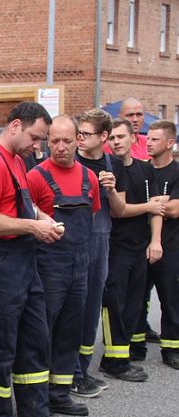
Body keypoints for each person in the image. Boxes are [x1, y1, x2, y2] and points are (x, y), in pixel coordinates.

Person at [0, 101, 69, 417]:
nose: (38, 146)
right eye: (35, 138)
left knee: (33, 339)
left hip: (22, 263)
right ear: (15, 126)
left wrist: (41, 218)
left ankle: (33, 413)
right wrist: (32, 226)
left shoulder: (16, 158)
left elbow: (20, 204)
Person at [26, 115, 103, 417]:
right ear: (47, 141)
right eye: (54, 141)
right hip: (48, 265)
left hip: (80, 263)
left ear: (77, 140)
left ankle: (59, 393)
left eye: (67, 141)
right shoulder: (36, 177)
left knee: (71, 329)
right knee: (42, 331)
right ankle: (37, 398)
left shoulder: (89, 178)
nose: (60, 147)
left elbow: (92, 216)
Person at [73, 108, 136, 388]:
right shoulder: (70, 161)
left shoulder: (114, 165)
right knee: (71, 309)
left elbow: (119, 210)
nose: (80, 139)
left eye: (86, 134)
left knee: (91, 308)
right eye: (79, 133)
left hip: (101, 242)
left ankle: (81, 370)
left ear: (103, 136)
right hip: (73, 242)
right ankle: (67, 372)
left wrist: (110, 190)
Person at [102, 119, 166, 378]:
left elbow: (157, 209)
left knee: (134, 305)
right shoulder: (108, 169)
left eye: (121, 136)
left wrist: (155, 240)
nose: (116, 142)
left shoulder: (145, 169)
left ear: (133, 138)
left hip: (140, 247)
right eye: (112, 138)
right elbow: (118, 211)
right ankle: (113, 361)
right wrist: (148, 207)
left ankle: (123, 355)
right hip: (115, 248)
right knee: (114, 305)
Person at [139, 120, 179, 369]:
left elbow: (174, 210)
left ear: (170, 143)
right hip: (138, 244)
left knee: (171, 298)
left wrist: (153, 202)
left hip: (171, 246)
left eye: (155, 139)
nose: (149, 143)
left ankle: (172, 349)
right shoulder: (141, 170)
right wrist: (163, 199)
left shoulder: (177, 172)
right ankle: (135, 345)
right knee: (136, 297)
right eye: (148, 138)